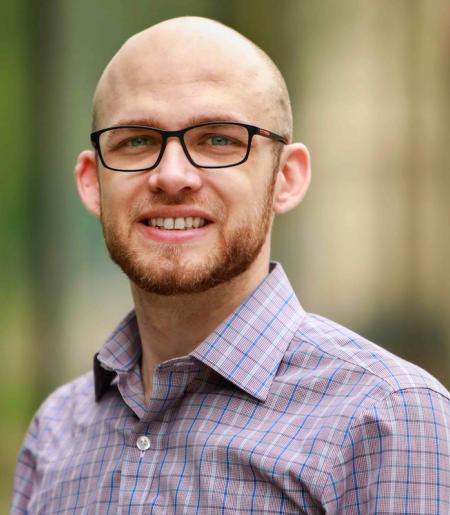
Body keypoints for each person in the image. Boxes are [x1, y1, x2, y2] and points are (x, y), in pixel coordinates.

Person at [12, 16, 450, 514]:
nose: (172, 176)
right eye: (136, 141)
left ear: (286, 177)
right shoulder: (56, 434)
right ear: (92, 182)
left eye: (217, 139)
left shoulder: (387, 418)